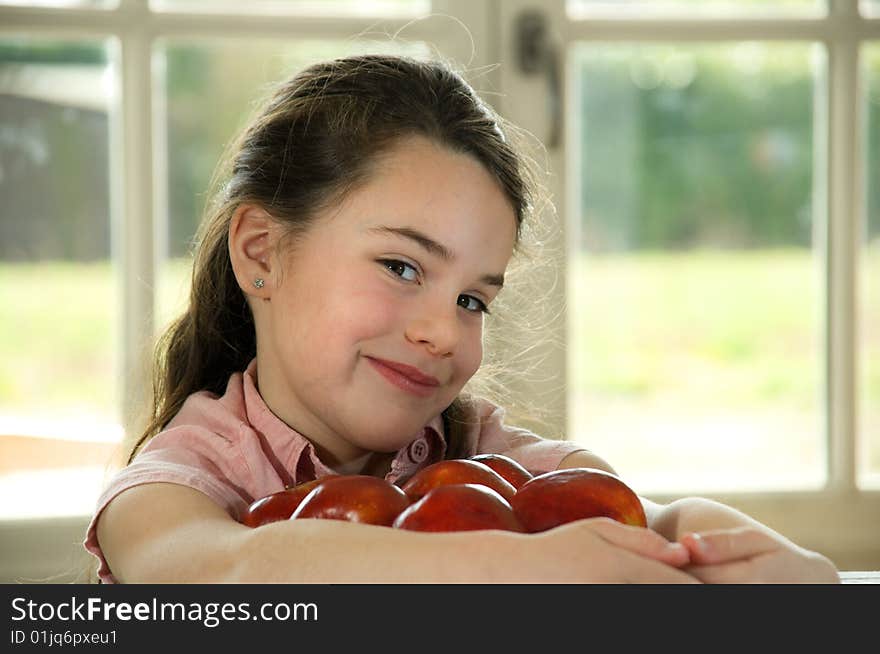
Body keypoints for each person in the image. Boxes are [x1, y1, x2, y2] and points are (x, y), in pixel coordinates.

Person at [84, 54, 839, 584]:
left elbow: (655, 521)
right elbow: (222, 571)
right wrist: (507, 569)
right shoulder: (181, 482)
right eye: (402, 267)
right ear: (262, 252)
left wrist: (774, 567)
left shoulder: (480, 450)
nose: (444, 333)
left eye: (472, 300)